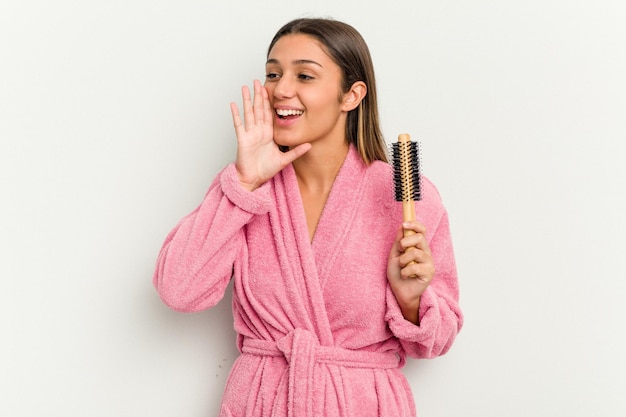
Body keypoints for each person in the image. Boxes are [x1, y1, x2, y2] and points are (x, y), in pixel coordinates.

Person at [153, 17, 463, 417]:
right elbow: (178, 291)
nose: (281, 89)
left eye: (304, 75)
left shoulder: (401, 195)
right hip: (264, 403)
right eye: (273, 73)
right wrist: (244, 184)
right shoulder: (245, 190)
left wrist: (411, 301)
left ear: (351, 95)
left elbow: (436, 340)